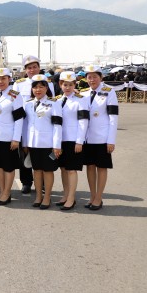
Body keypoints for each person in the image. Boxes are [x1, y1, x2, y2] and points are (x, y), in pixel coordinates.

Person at [13, 55, 55, 194]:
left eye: (35, 67)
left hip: (43, 124)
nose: (32, 70)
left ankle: (42, 184)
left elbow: (52, 102)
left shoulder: (48, 83)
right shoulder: (19, 84)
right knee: (25, 155)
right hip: (25, 123)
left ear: (39, 68)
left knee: (42, 157)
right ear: (25, 70)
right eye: (29, 68)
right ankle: (26, 182)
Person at [80, 65, 119, 211]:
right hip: (88, 138)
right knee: (90, 167)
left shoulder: (109, 92)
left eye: (95, 76)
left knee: (101, 167)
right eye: (89, 77)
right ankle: (92, 196)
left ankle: (99, 197)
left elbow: (113, 118)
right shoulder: (83, 93)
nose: (92, 80)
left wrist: (111, 140)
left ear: (101, 77)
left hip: (102, 138)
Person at [22, 74, 63, 210]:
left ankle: (47, 197)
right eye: (35, 87)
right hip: (33, 145)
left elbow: (57, 126)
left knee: (48, 171)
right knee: (36, 171)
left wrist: (57, 145)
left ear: (46, 88)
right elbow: (26, 125)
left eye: (41, 87)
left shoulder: (53, 104)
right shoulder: (28, 104)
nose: (38, 90)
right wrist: (25, 143)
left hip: (48, 145)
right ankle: (38, 196)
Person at [0, 67, 24, 206]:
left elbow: (19, 118)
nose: (0, 81)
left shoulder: (15, 95)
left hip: (8, 138)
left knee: (8, 167)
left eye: (3, 78)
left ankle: (7, 193)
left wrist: (16, 138)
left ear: (9, 79)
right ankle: (2, 190)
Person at [55, 71, 89, 210]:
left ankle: (71, 198)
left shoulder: (81, 100)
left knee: (71, 170)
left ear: (75, 85)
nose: (67, 87)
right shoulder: (56, 100)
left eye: (70, 85)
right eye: (64, 84)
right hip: (60, 140)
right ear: (60, 85)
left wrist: (80, 141)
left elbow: (83, 122)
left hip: (73, 140)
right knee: (63, 169)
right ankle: (65, 194)